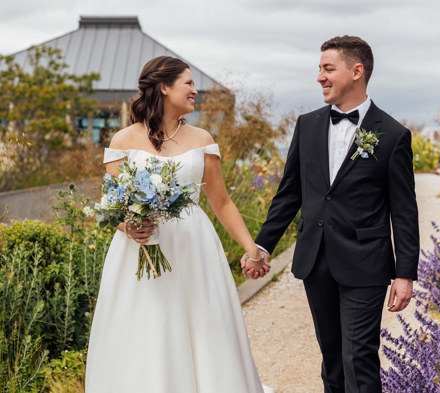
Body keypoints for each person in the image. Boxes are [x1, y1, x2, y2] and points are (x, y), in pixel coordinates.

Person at [85, 56, 272, 393]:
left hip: (194, 249)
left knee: (204, 326)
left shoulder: (202, 138)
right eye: (188, 83)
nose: (195, 91)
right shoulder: (122, 141)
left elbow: (222, 202)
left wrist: (252, 248)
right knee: (149, 327)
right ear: (164, 86)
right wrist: (128, 227)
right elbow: (113, 205)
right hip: (141, 250)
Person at [248, 36, 420, 393]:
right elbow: (289, 194)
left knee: (359, 358)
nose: (320, 77)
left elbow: (404, 210)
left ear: (356, 71)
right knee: (332, 360)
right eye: (319, 69)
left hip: (366, 263)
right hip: (316, 261)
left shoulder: (392, 135)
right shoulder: (307, 125)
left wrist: (405, 274)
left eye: (328, 68)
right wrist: (263, 246)